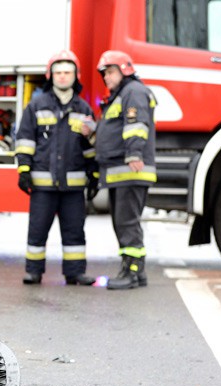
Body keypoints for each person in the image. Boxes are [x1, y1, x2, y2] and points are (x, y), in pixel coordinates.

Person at [15, 50, 98, 286]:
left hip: (73, 187)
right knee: (37, 230)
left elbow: (90, 147)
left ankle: (75, 273)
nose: (62, 77)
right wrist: (23, 170)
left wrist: (94, 174)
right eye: (58, 72)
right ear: (51, 76)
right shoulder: (37, 105)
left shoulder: (84, 109)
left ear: (76, 76)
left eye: (67, 73)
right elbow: (25, 140)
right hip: (43, 185)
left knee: (74, 232)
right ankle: (33, 271)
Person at [94, 50, 157, 290]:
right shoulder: (121, 95)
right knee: (123, 223)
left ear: (125, 70)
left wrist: (134, 153)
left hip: (131, 169)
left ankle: (131, 273)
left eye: (110, 72)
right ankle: (134, 272)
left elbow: (136, 125)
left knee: (127, 223)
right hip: (120, 172)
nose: (106, 78)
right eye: (105, 74)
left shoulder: (133, 92)